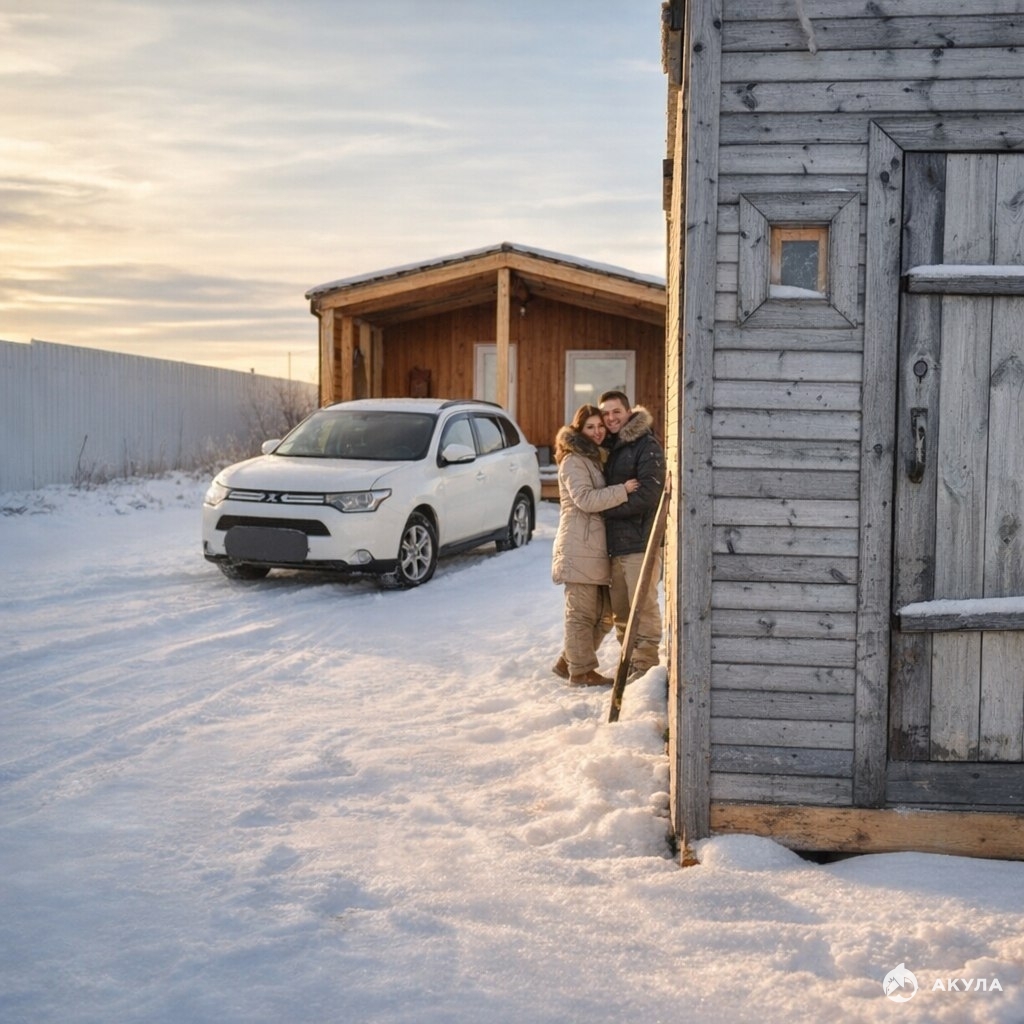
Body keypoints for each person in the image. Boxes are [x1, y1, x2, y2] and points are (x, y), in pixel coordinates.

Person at [551, 404, 639, 687]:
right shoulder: (573, 461)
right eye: (590, 427)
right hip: (578, 547)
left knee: (603, 615)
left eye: (600, 426)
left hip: (593, 548)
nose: (598, 431)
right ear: (579, 430)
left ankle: (568, 662)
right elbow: (586, 500)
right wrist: (622, 490)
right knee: (581, 614)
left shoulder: (593, 458)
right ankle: (580, 672)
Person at [598, 390, 666, 680]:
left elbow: (649, 494)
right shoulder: (610, 446)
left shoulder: (646, 445)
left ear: (628, 412)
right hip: (615, 544)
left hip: (640, 542)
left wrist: (606, 508)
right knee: (622, 611)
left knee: (643, 606)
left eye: (616, 412)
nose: (611, 418)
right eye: (605, 413)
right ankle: (629, 662)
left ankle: (646, 664)